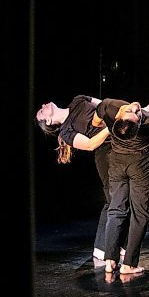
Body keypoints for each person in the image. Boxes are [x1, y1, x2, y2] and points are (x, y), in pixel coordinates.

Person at [35, 95, 123, 261]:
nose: (43, 104)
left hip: (120, 143)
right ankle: (103, 247)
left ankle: (115, 244)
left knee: (122, 198)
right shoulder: (66, 131)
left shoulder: (77, 100)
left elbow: (106, 105)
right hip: (106, 154)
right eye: (41, 111)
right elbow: (90, 145)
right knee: (113, 200)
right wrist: (111, 128)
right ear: (47, 121)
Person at [93, 97, 149, 274]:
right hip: (139, 163)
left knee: (116, 210)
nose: (135, 109)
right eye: (134, 113)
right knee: (140, 213)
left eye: (134, 112)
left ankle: (110, 260)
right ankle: (129, 264)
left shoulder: (108, 108)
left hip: (117, 161)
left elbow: (95, 121)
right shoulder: (146, 121)